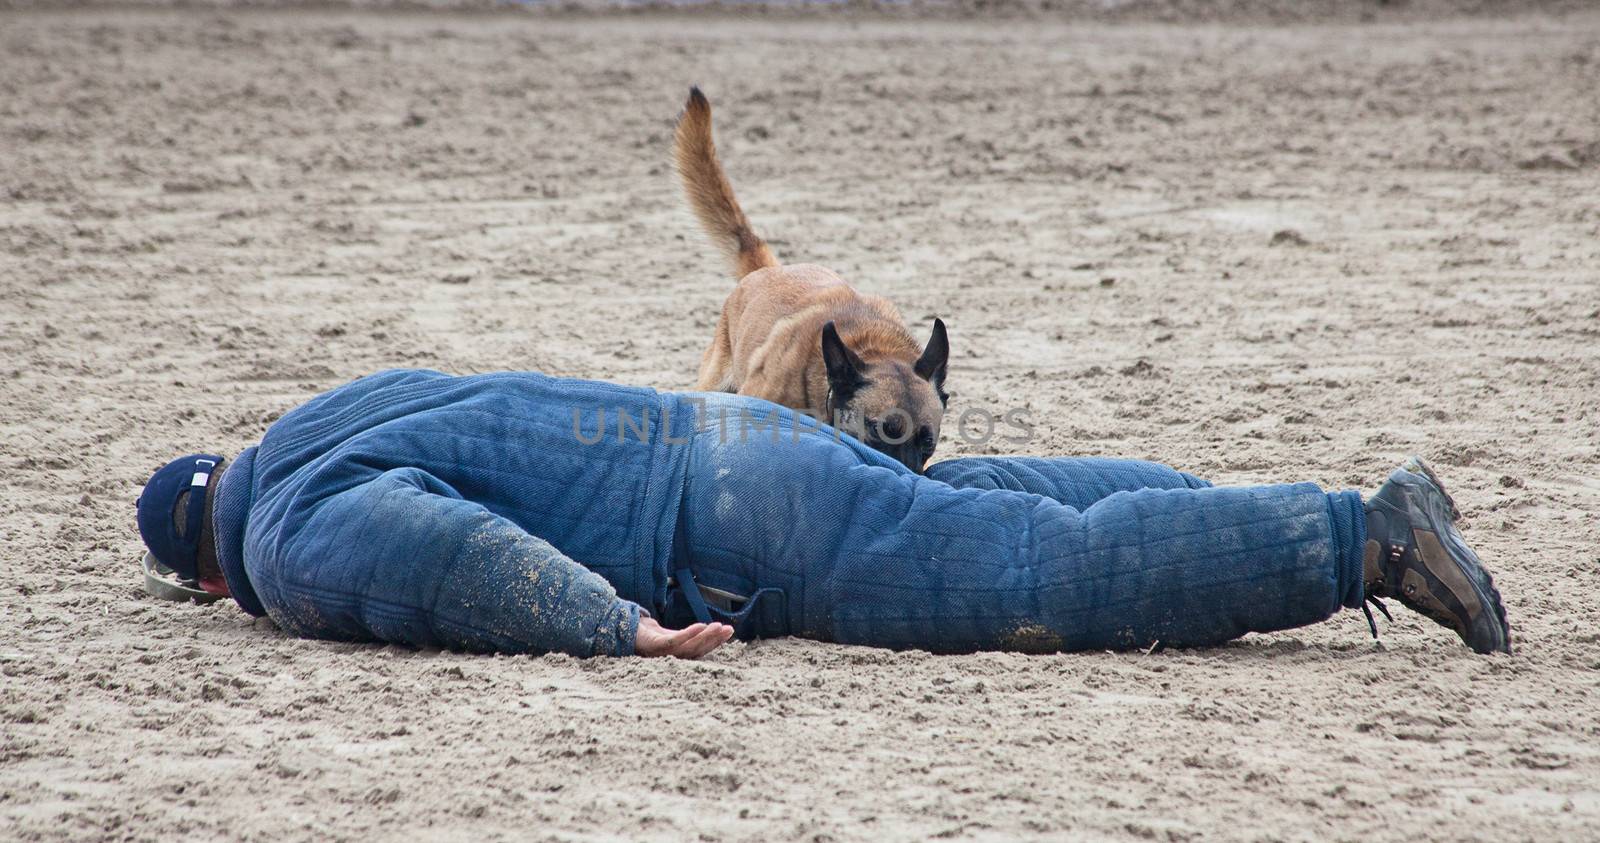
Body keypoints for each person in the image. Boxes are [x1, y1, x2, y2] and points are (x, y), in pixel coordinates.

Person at [135, 369, 1511, 659]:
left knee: (1046, 572)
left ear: (207, 578)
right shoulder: (321, 414)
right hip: (732, 431)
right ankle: (1264, 513)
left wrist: (616, 629)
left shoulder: (284, 535)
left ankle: (1359, 537)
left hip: (731, 523)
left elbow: (440, 559)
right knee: (982, 499)